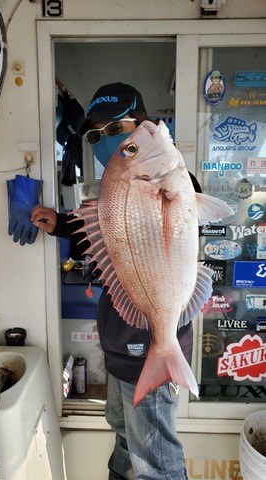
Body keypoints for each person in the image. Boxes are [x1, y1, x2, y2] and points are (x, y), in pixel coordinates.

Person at [32, 82, 202, 480]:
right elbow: (107, 238)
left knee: (155, 460)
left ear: (143, 124)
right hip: (120, 346)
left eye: (115, 130)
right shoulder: (113, 195)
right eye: (95, 134)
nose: (103, 140)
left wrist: (168, 182)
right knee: (125, 438)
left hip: (151, 346)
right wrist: (59, 224)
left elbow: (187, 212)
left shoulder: (175, 183)